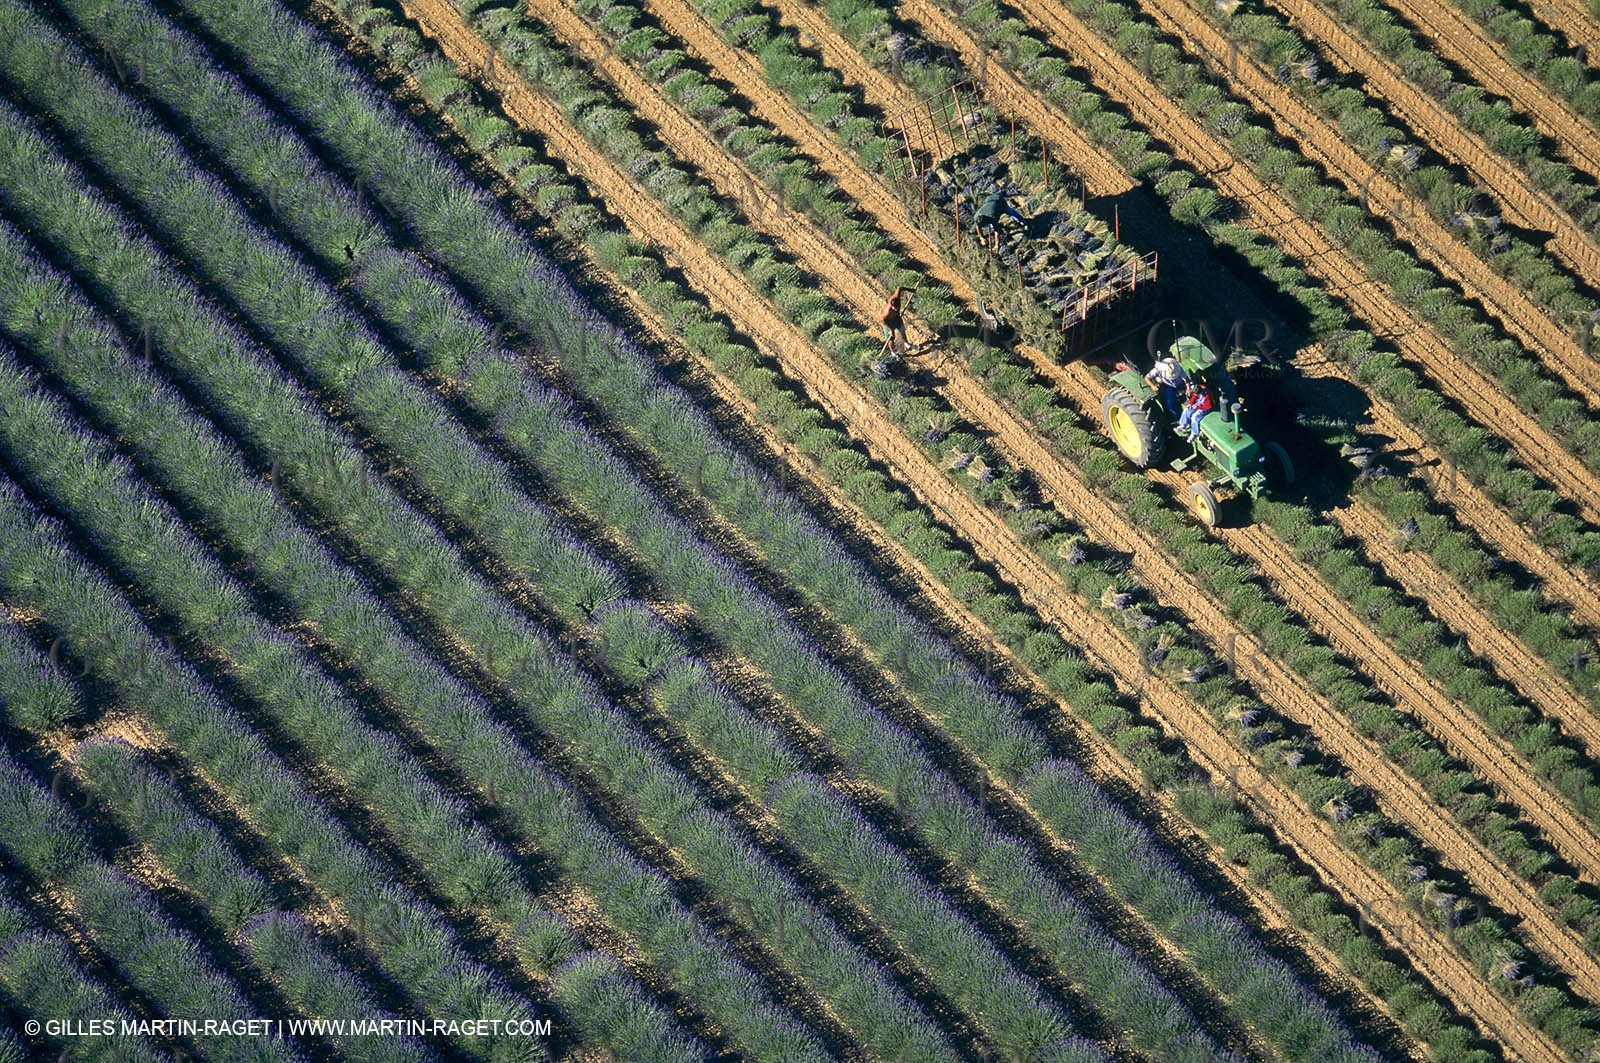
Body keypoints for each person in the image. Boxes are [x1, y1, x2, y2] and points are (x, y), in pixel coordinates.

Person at [1143, 355, 1188, 420]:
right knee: (1170, 403)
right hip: (1169, 387)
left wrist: (1188, 388)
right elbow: (1147, 378)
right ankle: (1176, 419)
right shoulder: (1157, 370)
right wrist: (1153, 386)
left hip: (1180, 384)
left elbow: (1186, 379)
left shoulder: (1177, 367)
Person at [880, 285, 912, 358]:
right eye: (894, 308)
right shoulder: (886, 312)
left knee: (902, 330)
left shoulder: (896, 297)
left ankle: (906, 343)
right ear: (891, 305)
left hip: (896, 318)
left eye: (897, 307)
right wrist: (890, 329)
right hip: (888, 323)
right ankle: (893, 352)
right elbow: (881, 320)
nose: (896, 309)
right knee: (891, 337)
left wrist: (911, 290)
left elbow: (899, 288)